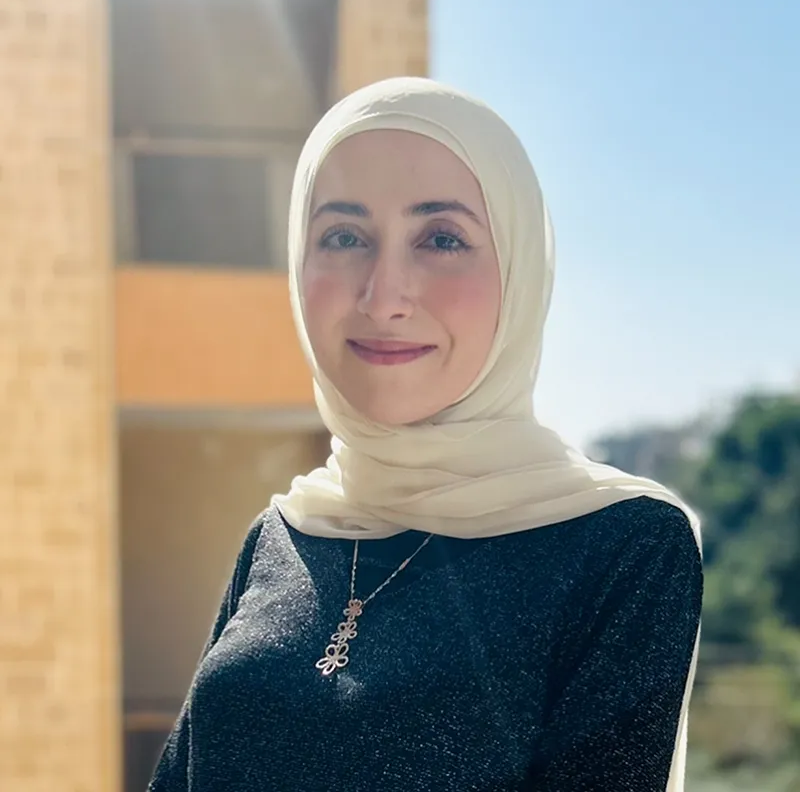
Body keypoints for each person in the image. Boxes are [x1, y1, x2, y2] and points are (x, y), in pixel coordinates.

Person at [148, 77, 703, 792]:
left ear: (520, 269)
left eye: (442, 239)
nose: (384, 296)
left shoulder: (623, 546)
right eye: (343, 236)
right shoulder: (283, 532)